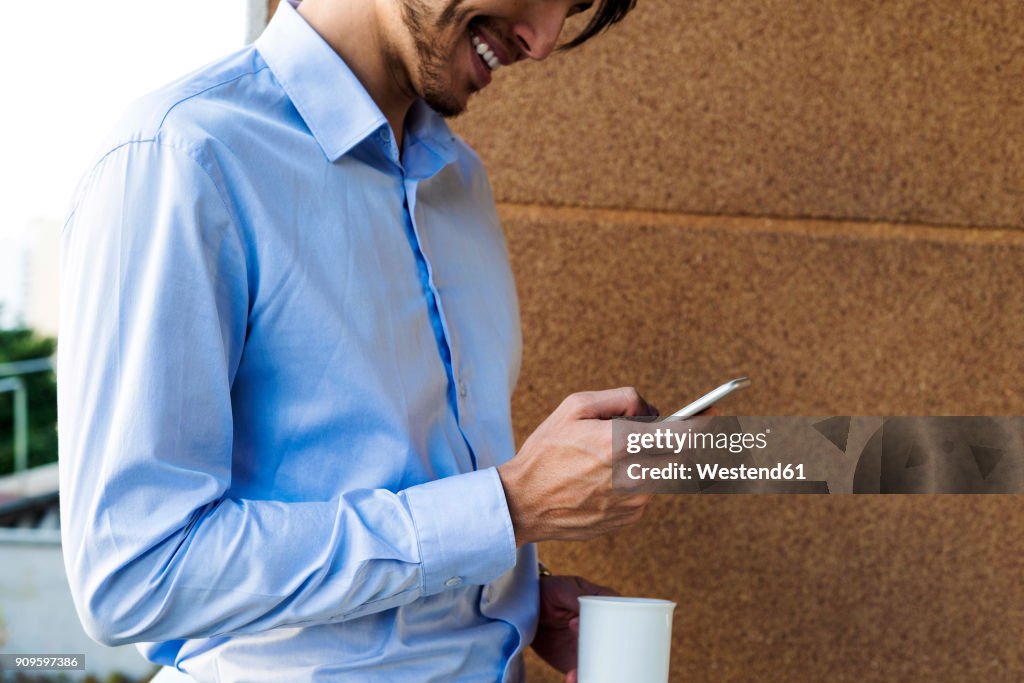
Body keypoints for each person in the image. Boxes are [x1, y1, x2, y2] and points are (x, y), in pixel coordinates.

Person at [58, 0, 654, 680]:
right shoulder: (181, 156)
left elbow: (399, 492)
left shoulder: (459, 182)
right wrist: (508, 508)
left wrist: (509, 593)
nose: (543, 42)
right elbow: (139, 572)